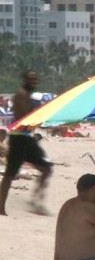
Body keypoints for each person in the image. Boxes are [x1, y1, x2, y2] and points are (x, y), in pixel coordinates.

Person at [0, 70, 53, 216]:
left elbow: (30, 121)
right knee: (10, 174)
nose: (34, 81)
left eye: (36, 79)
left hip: (27, 138)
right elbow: (25, 119)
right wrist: (41, 118)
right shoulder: (21, 95)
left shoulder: (28, 96)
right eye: (31, 79)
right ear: (25, 80)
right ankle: (1, 208)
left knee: (46, 169)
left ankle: (35, 202)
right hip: (19, 139)